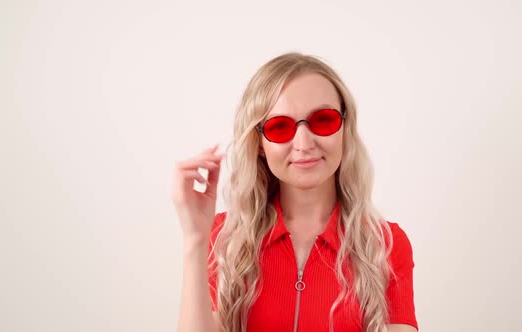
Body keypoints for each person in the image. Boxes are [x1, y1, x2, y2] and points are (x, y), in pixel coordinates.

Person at [172, 53, 418, 332]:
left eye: (323, 120)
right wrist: (195, 237)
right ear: (260, 143)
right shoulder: (224, 238)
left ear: (345, 128)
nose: (303, 143)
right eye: (280, 127)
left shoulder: (384, 244)